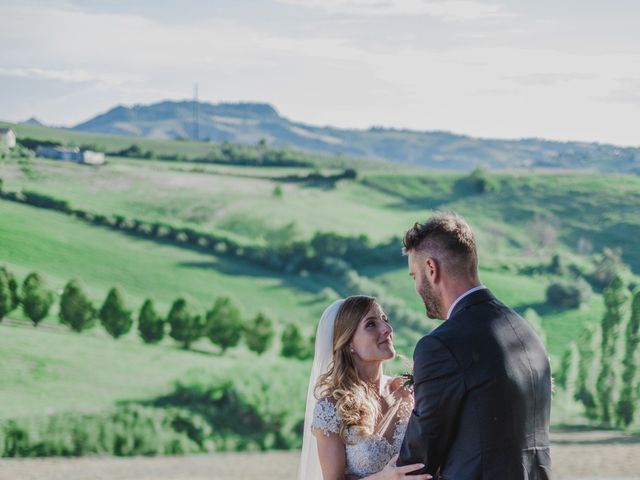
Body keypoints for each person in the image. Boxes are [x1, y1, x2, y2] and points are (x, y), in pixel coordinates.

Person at [397, 213, 552, 479]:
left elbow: (418, 461)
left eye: (415, 276)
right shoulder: (527, 333)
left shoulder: (441, 346)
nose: (417, 286)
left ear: (431, 269)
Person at [298, 296, 432, 480]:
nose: (387, 329)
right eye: (371, 324)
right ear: (348, 343)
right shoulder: (331, 407)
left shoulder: (408, 391)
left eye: (385, 320)